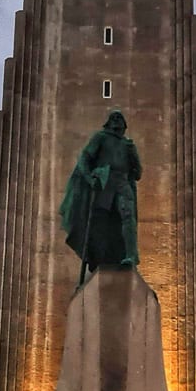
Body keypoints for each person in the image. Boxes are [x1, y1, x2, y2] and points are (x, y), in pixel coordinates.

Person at [59, 109, 141, 281]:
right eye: (114, 118)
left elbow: (138, 173)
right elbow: (84, 158)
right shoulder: (101, 138)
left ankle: (131, 256)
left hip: (122, 184)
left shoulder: (128, 145)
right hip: (105, 183)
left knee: (128, 216)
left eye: (120, 119)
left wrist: (133, 155)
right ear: (109, 123)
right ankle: (98, 257)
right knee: (100, 222)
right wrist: (89, 178)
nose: (117, 122)